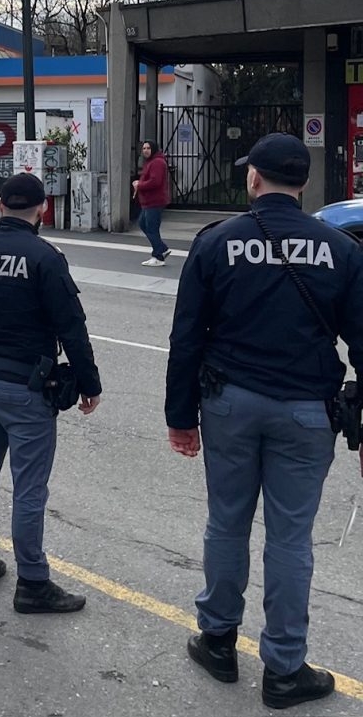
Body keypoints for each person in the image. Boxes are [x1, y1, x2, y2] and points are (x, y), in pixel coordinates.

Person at [165, 133, 363, 710]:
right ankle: (283, 668)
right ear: (302, 185)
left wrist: (181, 418)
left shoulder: (216, 241)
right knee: (291, 538)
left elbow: (185, 340)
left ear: (254, 179)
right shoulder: (341, 250)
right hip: (306, 411)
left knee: (226, 522)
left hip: (228, 402)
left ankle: (219, 640)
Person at [0, 173, 101, 613]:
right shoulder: (45, 257)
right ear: (42, 208)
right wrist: (89, 384)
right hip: (28, 389)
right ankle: (32, 582)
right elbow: (72, 327)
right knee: (29, 488)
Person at [134, 140, 171, 266]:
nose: (145, 150)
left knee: (151, 228)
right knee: (144, 224)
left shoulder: (157, 162)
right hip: (148, 201)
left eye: (148, 148)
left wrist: (140, 185)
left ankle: (159, 254)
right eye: (144, 148)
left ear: (153, 149)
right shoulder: (150, 162)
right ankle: (160, 250)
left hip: (154, 201)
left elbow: (155, 182)